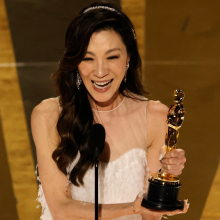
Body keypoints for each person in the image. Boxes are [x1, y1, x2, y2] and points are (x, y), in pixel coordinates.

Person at [31, 2, 188, 220]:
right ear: (76, 62)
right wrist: (133, 208)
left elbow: (150, 217)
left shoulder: (154, 118)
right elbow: (61, 209)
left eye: (112, 57)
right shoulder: (49, 116)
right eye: (88, 58)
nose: (101, 71)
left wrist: (165, 177)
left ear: (128, 58)